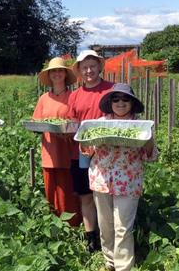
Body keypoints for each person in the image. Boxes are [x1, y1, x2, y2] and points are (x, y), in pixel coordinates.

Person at [85, 83, 159, 271]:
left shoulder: (140, 126)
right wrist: (84, 141)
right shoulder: (99, 124)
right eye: (116, 98)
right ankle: (110, 262)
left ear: (132, 103)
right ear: (110, 102)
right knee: (106, 225)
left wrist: (148, 139)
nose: (120, 102)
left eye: (125, 98)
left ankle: (123, 267)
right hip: (101, 180)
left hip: (128, 181)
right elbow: (88, 151)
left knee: (123, 227)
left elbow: (151, 156)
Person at [67, 50, 114, 252]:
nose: (89, 71)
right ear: (79, 71)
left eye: (92, 66)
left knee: (107, 197)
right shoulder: (75, 95)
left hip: (108, 153)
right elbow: (72, 124)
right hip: (82, 154)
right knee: (86, 197)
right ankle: (92, 240)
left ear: (100, 67)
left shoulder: (112, 90)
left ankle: (110, 240)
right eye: (84, 67)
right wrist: (63, 132)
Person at [32, 57, 82, 227]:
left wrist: (67, 133)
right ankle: (54, 226)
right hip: (49, 152)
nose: (57, 74)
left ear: (66, 74)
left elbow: (78, 124)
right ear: (50, 75)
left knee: (68, 191)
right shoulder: (43, 99)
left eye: (60, 70)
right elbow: (37, 122)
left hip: (68, 151)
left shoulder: (74, 97)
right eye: (53, 71)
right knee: (51, 191)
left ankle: (72, 225)